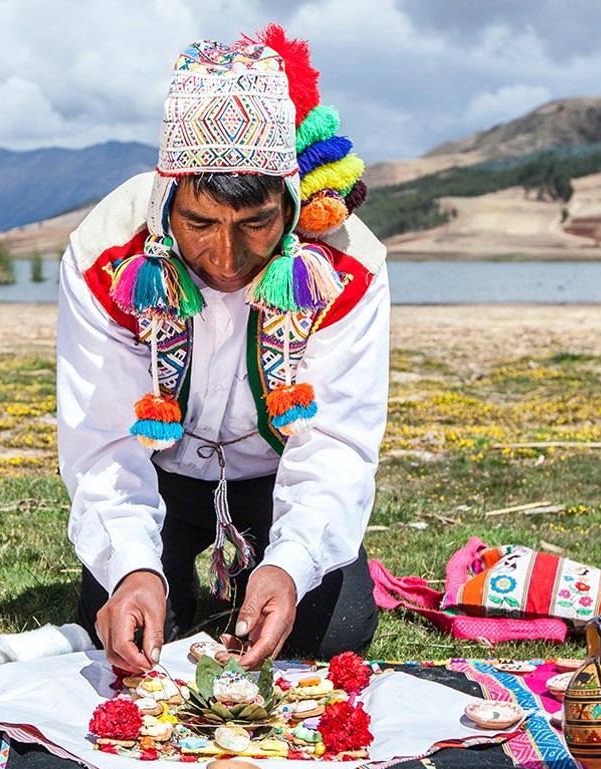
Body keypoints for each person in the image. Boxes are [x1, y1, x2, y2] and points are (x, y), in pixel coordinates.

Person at [56, 26, 388, 673]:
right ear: (168, 199)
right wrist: (131, 568)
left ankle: (263, 568)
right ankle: (172, 572)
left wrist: (290, 566)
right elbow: (100, 440)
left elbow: (336, 442)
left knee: (332, 631)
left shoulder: (349, 264)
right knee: (133, 627)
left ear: (289, 204)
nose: (226, 256)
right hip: (162, 473)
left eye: (256, 224)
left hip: (277, 474)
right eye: (201, 224)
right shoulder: (107, 254)